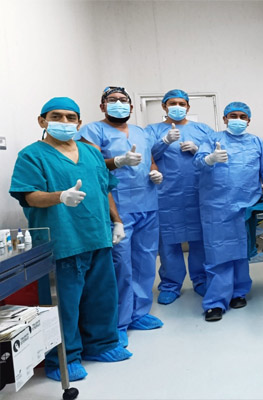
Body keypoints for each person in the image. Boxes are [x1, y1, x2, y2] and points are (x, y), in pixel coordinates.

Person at [10, 97, 132, 381]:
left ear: (79, 123)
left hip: (97, 236)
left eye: (70, 117)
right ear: (42, 121)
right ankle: (63, 359)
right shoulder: (32, 155)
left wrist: (116, 221)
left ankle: (102, 345)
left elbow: (104, 189)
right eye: (56, 116)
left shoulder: (91, 153)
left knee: (102, 297)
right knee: (64, 305)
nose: (64, 122)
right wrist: (60, 197)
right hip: (62, 240)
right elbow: (29, 196)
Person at [78, 86, 163, 347]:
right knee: (120, 265)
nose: (118, 103)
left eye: (123, 100)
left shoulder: (141, 132)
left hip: (147, 203)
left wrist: (155, 171)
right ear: (102, 105)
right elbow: (89, 164)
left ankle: (139, 313)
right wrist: (118, 161)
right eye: (112, 100)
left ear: (131, 106)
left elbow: (149, 159)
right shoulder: (93, 131)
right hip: (118, 207)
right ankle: (118, 322)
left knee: (146, 261)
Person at [193, 101, 263, 322]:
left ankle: (239, 292)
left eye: (242, 116)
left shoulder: (257, 143)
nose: (237, 120)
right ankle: (215, 302)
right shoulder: (212, 139)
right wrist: (210, 159)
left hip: (246, 202)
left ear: (248, 120)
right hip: (216, 204)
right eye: (233, 116)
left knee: (241, 249)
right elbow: (198, 162)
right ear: (224, 119)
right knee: (218, 251)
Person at [147, 89, 213, 305]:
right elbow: (146, 157)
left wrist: (197, 149)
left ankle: (201, 279)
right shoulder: (153, 130)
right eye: (172, 103)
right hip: (166, 194)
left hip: (197, 192)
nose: (177, 107)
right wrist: (164, 141)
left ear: (188, 107)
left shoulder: (202, 129)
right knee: (168, 241)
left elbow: (213, 156)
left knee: (199, 239)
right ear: (164, 106)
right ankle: (170, 284)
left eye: (182, 103)